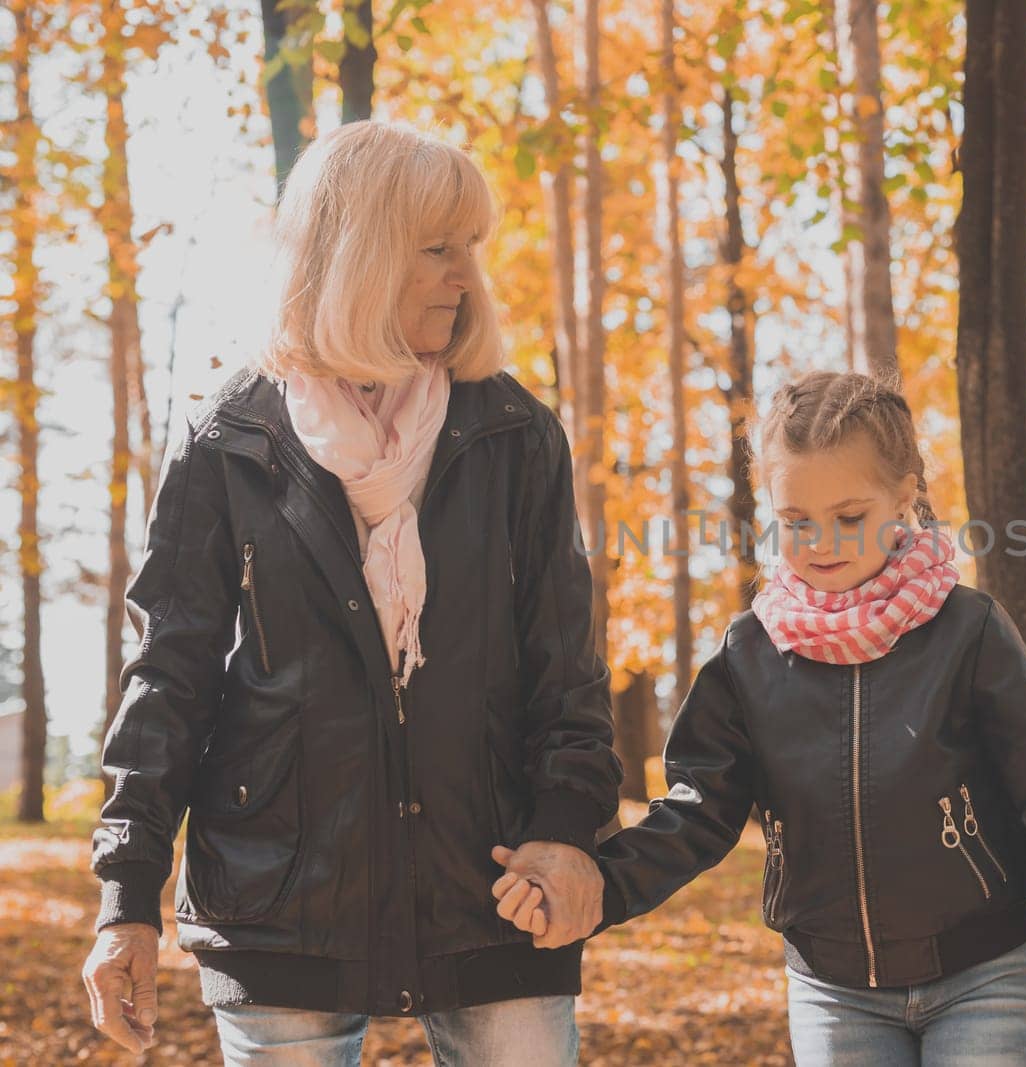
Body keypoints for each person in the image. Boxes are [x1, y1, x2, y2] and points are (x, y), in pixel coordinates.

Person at [81, 120, 621, 1066]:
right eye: (437, 248)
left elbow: (566, 672)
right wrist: (126, 897)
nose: (466, 276)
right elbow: (168, 675)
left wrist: (567, 832)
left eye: (470, 249)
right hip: (279, 900)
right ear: (358, 253)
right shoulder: (227, 439)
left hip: (495, 890)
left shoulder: (516, 435)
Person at [502, 371, 1026, 1066]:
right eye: (797, 520)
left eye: (850, 516)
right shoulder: (750, 652)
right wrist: (601, 885)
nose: (821, 542)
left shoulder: (968, 631)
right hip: (835, 994)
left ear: (904, 498)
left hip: (983, 974)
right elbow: (696, 810)